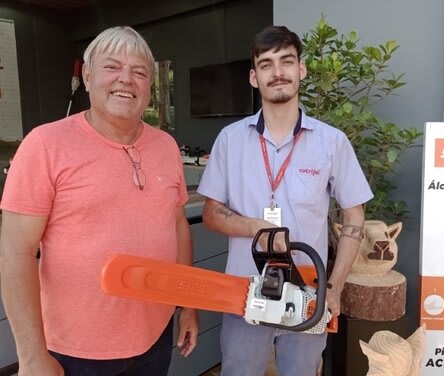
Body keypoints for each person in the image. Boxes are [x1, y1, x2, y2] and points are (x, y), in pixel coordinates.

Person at [0, 26, 197, 376]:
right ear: (88, 77)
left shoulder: (166, 146)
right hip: (74, 352)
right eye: (113, 67)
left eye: (139, 72)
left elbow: (178, 227)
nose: (127, 79)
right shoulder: (44, 145)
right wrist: (31, 357)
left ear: (149, 86)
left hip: (155, 338)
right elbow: (15, 253)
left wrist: (187, 306)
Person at [197, 25, 373, 376]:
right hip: (245, 291)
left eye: (286, 61)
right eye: (266, 64)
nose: (277, 73)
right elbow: (211, 214)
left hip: (308, 292)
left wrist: (333, 288)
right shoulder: (230, 140)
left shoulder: (332, 142)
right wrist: (256, 227)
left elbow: (355, 218)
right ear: (253, 77)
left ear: (301, 70)